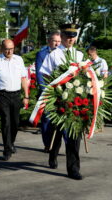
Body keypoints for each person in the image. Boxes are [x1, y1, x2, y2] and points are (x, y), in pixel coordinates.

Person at [40, 24, 84, 180]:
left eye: (73, 36)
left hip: (76, 100)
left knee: (74, 134)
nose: (71, 39)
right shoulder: (54, 55)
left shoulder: (78, 55)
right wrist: (54, 91)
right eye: (67, 36)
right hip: (59, 99)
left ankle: (73, 169)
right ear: (63, 37)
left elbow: (83, 75)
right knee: (57, 132)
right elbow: (45, 74)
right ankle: (53, 154)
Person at [0, 39, 29, 161]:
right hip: (2, 95)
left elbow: (23, 78)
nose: (9, 51)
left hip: (16, 95)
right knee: (6, 122)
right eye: (6, 49)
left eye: (11, 48)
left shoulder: (19, 60)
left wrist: (26, 96)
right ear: (1, 49)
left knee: (15, 123)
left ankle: (11, 143)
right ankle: (7, 149)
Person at [35, 32, 61, 152]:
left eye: (59, 41)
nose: (57, 44)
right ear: (49, 41)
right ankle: (47, 144)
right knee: (46, 118)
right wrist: (45, 90)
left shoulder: (62, 53)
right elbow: (40, 74)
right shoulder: (42, 54)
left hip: (61, 91)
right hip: (47, 90)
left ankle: (57, 145)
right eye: (55, 41)